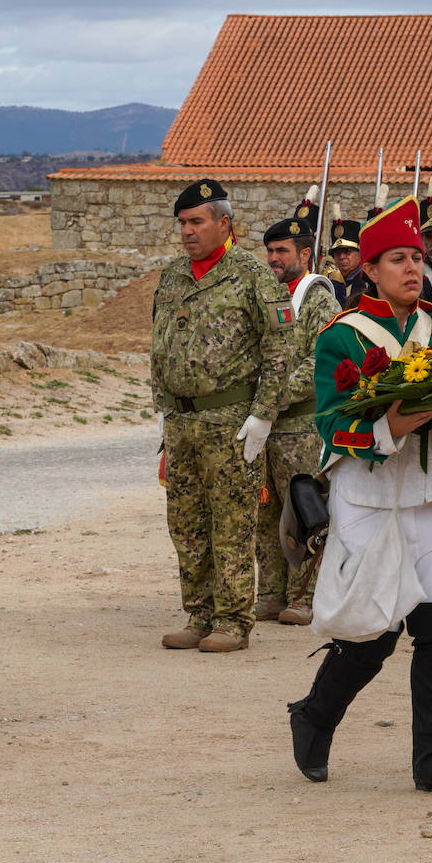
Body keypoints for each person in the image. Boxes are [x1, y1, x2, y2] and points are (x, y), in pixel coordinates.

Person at [286, 194, 432, 797]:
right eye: (397, 259)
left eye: (416, 257)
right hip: (370, 499)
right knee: (372, 634)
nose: (413, 269)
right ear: (370, 268)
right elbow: (331, 425)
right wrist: (394, 424)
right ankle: (313, 715)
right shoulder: (341, 338)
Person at [151, 179, 297, 651]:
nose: (187, 232)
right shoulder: (173, 275)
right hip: (181, 422)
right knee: (186, 524)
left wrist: (263, 415)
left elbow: (281, 348)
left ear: (224, 223)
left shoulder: (252, 276)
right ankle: (199, 613)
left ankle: (233, 621)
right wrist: (162, 409)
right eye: (182, 224)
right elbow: (160, 344)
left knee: (232, 522)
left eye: (196, 222)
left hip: (230, 421)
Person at [254, 212, 341, 624]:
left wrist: (269, 397)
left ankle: (303, 596)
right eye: (269, 250)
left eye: (282, 251)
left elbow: (318, 362)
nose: (273, 258)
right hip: (264, 426)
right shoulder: (262, 295)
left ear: (305, 254)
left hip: (300, 425)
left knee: (304, 509)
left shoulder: (318, 297)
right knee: (264, 513)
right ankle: (270, 592)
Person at [327, 204, 366, 307]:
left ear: (360, 253)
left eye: (348, 252)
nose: (342, 257)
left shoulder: (367, 283)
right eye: (338, 253)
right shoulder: (328, 281)